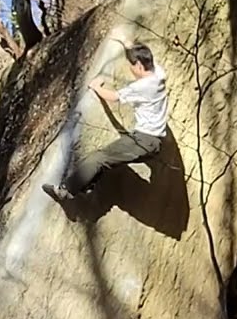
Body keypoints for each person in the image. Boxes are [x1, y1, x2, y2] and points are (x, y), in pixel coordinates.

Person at [43, 43, 168, 201]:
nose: (131, 69)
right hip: (154, 144)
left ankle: (65, 190)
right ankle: (88, 183)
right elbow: (151, 61)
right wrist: (130, 46)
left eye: (132, 66)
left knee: (99, 157)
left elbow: (114, 97)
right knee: (109, 158)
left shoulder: (142, 86)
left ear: (138, 65)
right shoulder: (159, 75)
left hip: (143, 141)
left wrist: (95, 87)